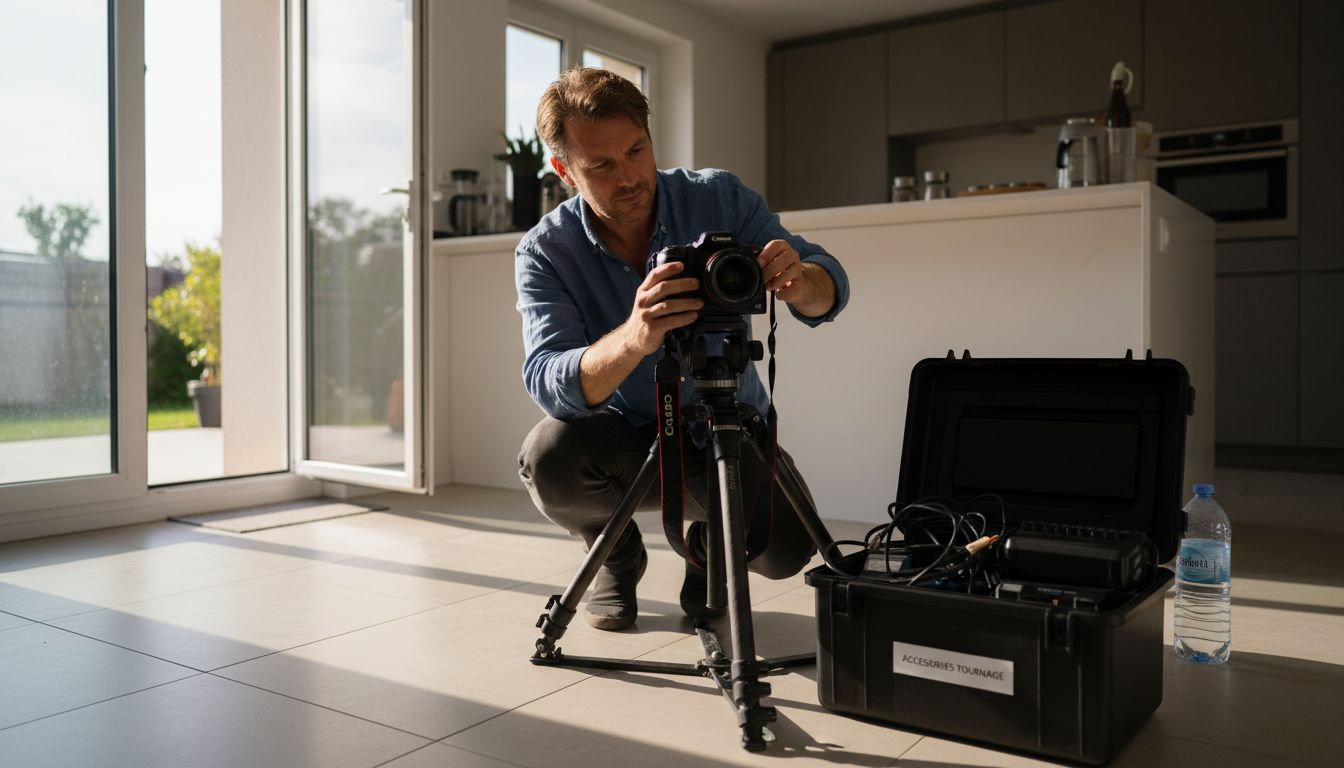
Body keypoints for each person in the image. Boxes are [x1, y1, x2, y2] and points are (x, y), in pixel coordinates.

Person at [515, 67, 850, 631]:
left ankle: (707, 543)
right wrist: (635, 335)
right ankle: (615, 552)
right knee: (549, 459)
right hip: (622, 436)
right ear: (564, 171)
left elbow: (829, 285)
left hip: (723, 421)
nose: (629, 176)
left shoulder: (718, 197)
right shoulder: (546, 251)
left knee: (786, 549)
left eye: (637, 151)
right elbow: (549, 379)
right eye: (601, 165)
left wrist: (800, 280)